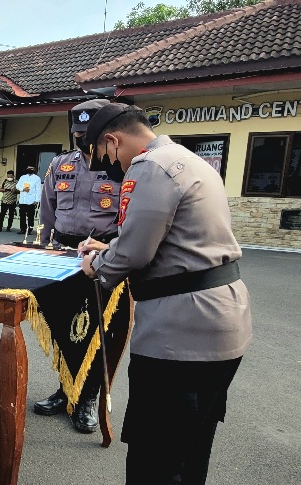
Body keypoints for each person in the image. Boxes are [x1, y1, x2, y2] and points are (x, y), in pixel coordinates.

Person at [79, 103, 251, 484]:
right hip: (220, 322)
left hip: (180, 333)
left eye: (107, 157)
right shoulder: (187, 159)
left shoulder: (148, 167)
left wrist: (99, 265)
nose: (114, 167)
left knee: (155, 456)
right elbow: (174, 239)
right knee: (191, 448)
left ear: (112, 141)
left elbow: (135, 253)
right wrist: (110, 247)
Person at [31, 98, 122, 434]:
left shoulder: (120, 166)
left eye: (89, 133)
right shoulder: (60, 165)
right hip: (63, 256)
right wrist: (42, 250)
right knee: (63, 328)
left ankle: (87, 398)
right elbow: (47, 211)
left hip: (103, 258)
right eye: (78, 133)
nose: (83, 139)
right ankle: (64, 389)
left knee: (97, 332)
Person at [15, 165, 41, 235]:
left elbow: (38, 190)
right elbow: (17, 186)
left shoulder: (37, 178)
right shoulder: (23, 177)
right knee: (22, 216)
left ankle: (29, 230)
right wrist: (23, 189)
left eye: (32, 168)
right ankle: (23, 229)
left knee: (30, 216)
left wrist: (37, 200)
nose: (30, 169)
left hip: (31, 201)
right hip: (23, 200)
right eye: (29, 168)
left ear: (34, 169)